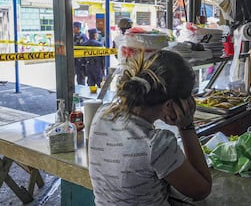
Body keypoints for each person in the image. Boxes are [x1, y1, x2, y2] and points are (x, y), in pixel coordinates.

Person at [88, 50, 212, 205]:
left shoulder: (103, 113)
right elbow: (202, 190)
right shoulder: (158, 144)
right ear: (169, 105)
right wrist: (187, 127)